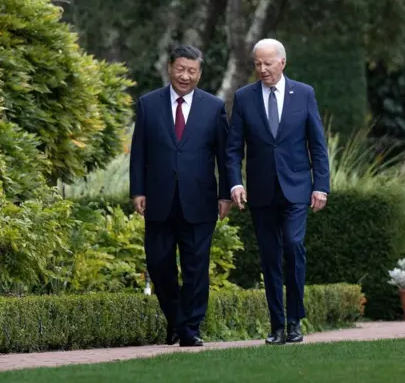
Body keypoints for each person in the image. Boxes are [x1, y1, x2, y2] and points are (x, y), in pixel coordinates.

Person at [225, 38, 330, 345]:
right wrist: (235, 182)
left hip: (297, 187)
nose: (262, 69)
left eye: (268, 63)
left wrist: (321, 186)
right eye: (257, 64)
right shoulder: (244, 97)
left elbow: (318, 145)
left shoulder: (304, 94)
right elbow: (233, 149)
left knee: (294, 246)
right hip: (261, 191)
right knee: (270, 257)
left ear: (282, 62)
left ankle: (295, 320)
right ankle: (277, 326)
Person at [129, 45, 231, 347]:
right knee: (159, 264)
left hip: (200, 201)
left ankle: (190, 329)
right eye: (180, 69)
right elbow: (139, 152)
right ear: (170, 67)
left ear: (199, 73)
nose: (185, 76)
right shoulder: (148, 104)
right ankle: (176, 320)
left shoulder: (213, 107)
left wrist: (225, 193)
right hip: (159, 200)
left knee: (196, 268)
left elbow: (225, 155)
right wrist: (138, 190)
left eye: (192, 71)